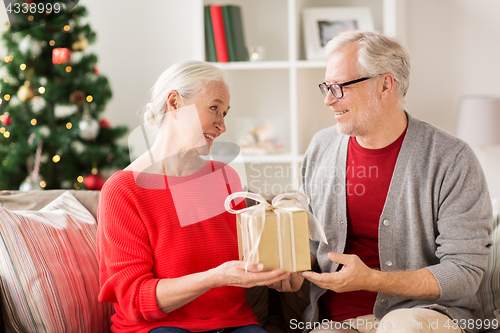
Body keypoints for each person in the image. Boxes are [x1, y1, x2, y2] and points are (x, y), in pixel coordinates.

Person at [271, 30, 492, 333]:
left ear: (385, 85)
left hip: (424, 315)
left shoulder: (451, 159)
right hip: (335, 323)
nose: (327, 100)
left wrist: (373, 280)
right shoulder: (320, 148)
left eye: (338, 88)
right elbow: (312, 244)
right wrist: (291, 266)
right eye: (326, 87)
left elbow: (465, 272)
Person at [97, 60, 290, 333]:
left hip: (234, 324)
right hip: (160, 327)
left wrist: (279, 273)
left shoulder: (225, 177)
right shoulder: (124, 190)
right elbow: (133, 298)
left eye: (225, 113)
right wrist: (214, 278)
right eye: (214, 108)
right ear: (174, 103)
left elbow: (248, 257)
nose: (221, 126)